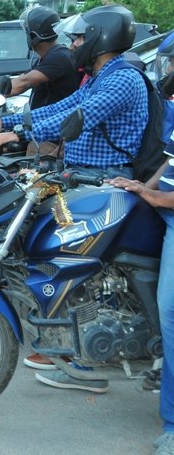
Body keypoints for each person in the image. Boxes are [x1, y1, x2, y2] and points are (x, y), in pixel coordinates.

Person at [0, 5, 146, 188]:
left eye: (79, 38)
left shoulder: (123, 80)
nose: (73, 45)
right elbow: (58, 109)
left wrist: (18, 134)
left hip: (103, 177)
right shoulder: (101, 78)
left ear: (101, 38)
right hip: (82, 171)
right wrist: (4, 122)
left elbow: (78, 116)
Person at [108, 127, 174, 454]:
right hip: (163, 212)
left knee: (171, 312)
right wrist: (144, 187)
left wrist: (152, 196)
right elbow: (171, 160)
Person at [0, 6, 81, 112]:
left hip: (51, 126)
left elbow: (23, 83)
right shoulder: (51, 55)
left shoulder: (58, 58)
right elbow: (16, 81)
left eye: (26, 33)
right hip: (39, 120)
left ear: (34, 36)